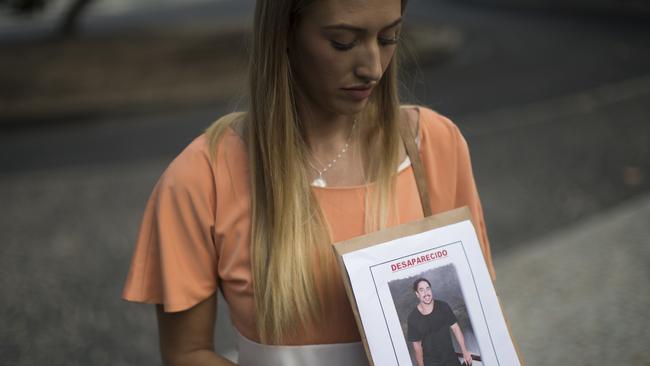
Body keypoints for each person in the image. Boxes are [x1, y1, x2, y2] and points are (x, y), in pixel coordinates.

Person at [122, 0, 495, 365]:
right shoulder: (202, 176)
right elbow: (185, 352)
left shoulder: (435, 145)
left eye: (388, 38)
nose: (373, 68)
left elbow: (488, 322)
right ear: (284, 32)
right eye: (343, 42)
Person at [407, 278, 474, 366]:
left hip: (451, 360)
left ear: (431, 290)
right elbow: (417, 347)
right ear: (417, 294)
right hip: (431, 363)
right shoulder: (413, 318)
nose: (426, 293)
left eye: (428, 288)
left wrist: (464, 351)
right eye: (421, 290)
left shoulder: (443, 307)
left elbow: (456, 329)